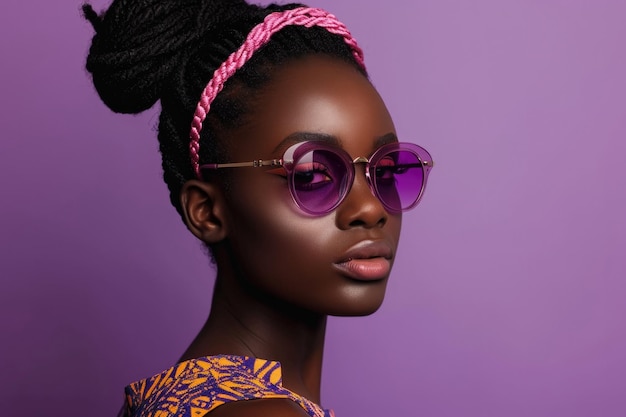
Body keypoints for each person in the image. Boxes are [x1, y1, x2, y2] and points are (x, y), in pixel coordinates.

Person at [82, 1, 434, 416]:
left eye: (387, 169)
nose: (371, 208)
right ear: (208, 211)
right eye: (313, 175)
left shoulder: (175, 397)